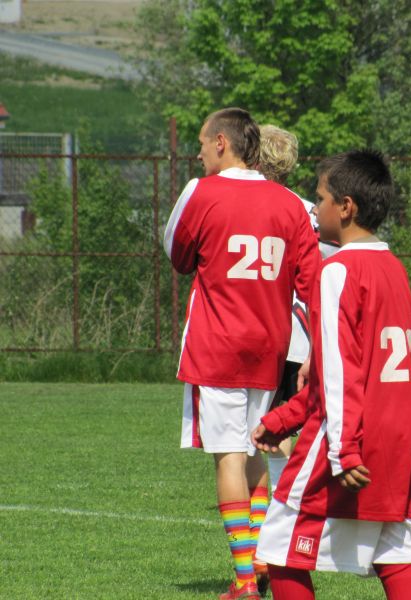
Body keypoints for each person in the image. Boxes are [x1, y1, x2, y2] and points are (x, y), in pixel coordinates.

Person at [251, 150, 411, 600]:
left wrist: (343, 451)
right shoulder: (395, 269)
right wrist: (284, 418)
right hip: (401, 436)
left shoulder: (338, 272)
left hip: (350, 434)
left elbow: (340, 374)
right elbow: (365, 370)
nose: (315, 210)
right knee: (394, 555)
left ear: (346, 207)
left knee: (279, 549)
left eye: (320, 198)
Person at [163, 107, 320, 600]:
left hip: (218, 345)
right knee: (254, 450)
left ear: (222, 143)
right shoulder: (291, 204)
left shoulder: (201, 192)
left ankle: (245, 581)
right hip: (271, 345)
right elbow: (311, 282)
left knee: (229, 456)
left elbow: (178, 257)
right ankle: (258, 561)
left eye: (202, 143)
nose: (199, 153)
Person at [255, 125, 339, 504]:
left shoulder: (253, 205)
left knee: (267, 427)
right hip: (303, 333)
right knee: (291, 424)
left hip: (268, 329)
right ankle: (288, 493)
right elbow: (335, 261)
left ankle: (279, 497)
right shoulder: (309, 210)